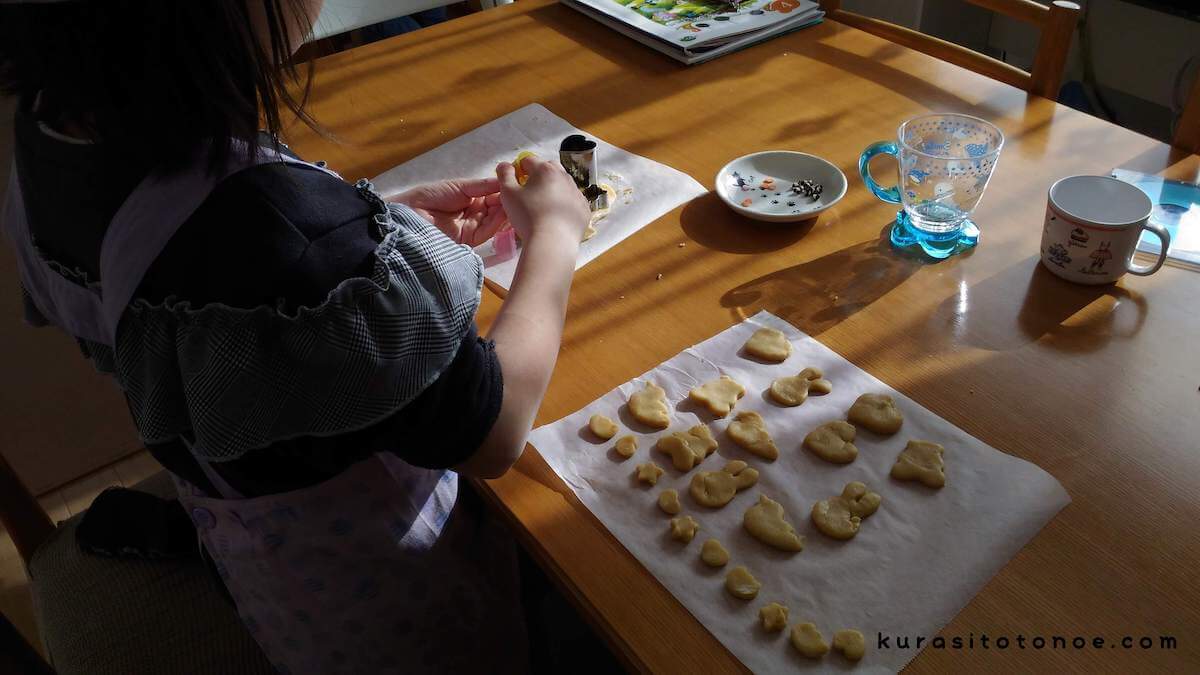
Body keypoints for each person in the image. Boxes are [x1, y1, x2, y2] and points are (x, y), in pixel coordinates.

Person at [0, 0, 591, 672]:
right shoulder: (284, 240)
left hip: (247, 541)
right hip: (392, 619)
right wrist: (556, 233)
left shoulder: (57, 128)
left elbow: (196, 288)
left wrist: (365, 233)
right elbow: (496, 425)